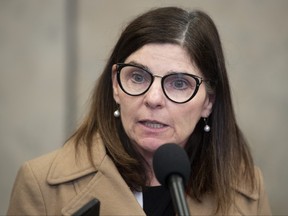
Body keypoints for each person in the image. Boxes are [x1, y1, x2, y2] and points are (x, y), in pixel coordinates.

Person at [7, 6, 271, 215]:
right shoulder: (40, 184)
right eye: (138, 77)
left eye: (179, 83)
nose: (153, 98)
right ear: (115, 86)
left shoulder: (248, 189)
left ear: (208, 102)